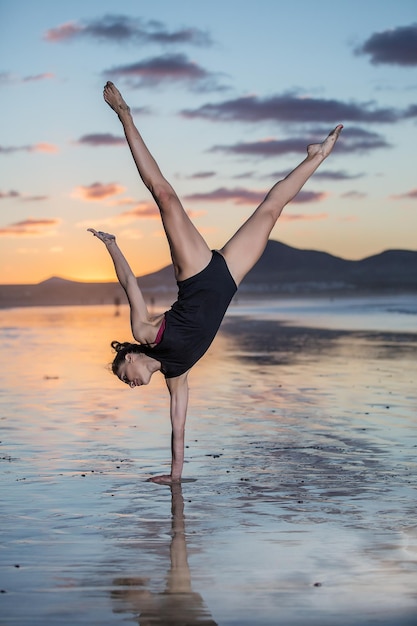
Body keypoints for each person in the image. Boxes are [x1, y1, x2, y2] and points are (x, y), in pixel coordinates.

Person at [89, 81, 343, 485]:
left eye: (125, 376)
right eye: (126, 383)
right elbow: (178, 429)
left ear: (132, 358)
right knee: (271, 210)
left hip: (195, 273)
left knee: (165, 196)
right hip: (226, 280)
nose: (130, 384)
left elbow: (129, 284)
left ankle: (125, 116)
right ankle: (317, 156)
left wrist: (113, 246)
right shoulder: (177, 375)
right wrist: (174, 477)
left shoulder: (145, 332)